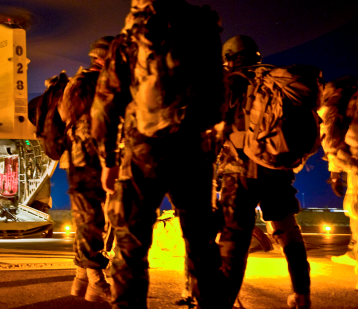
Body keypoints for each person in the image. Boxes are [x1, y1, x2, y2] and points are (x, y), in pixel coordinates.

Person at [91, 1, 229, 308]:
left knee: (131, 247)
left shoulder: (129, 38)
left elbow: (105, 105)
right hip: (195, 149)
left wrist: (108, 161)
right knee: (202, 246)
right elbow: (220, 96)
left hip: (143, 149)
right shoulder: (202, 31)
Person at [217, 35, 318, 308]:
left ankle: (224, 301)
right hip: (276, 171)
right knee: (287, 231)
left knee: (234, 241)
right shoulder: (275, 79)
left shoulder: (229, 83)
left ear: (228, 59)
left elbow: (213, 129)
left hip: (239, 173)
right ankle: (302, 294)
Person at [39, 36, 115, 303]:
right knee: (93, 220)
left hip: (85, 160)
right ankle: (96, 279)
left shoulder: (86, 84)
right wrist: (109, 160)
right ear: (106, 58)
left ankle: (81, 280)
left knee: (88, 219)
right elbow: (91, 128)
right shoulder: (89, 85)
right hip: (89, 160)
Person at [317, 76, 358, 289]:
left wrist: (334, 173)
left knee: (354, 208)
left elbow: (330, 140)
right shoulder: (352, 99)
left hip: (354, 161)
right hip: (353, 159)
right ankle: (354, 250)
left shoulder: (331, 108)